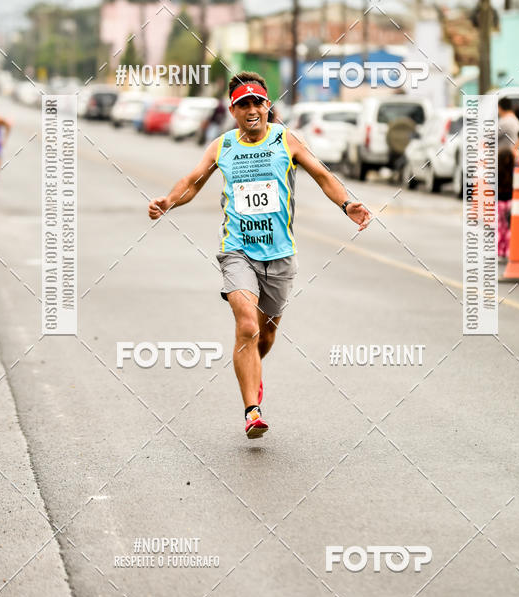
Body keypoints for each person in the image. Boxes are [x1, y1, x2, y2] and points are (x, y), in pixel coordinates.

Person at [148, 71, 371, 439]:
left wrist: (347, 204)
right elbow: (191, 182)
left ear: (268, 106)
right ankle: (252, 410)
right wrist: (168, 201)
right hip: (237, 251)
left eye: (257, 102)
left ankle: (249, 365)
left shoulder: (287, 140)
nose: (251, 110)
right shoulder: (222, 146)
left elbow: (323, 175)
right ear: (233, 111)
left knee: (264, 337)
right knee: (247, 326)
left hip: (280, 255)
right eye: (243, 104)